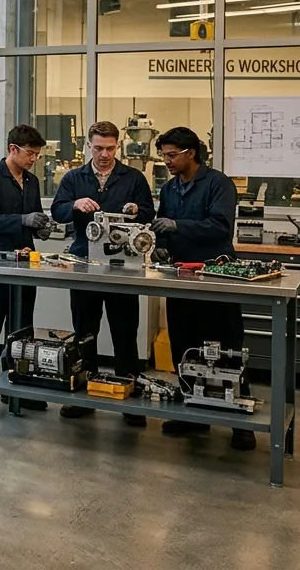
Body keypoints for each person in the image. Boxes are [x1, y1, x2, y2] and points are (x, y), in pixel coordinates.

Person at [151, 127, 254, 451]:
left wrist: (178, 225)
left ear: (190, 153)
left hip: (215, 275)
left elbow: (220, 225)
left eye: (171, 155)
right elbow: (162, 225)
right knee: (185, 343)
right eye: (164, 155)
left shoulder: (218, 184)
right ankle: (191, 412)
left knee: (227, 346)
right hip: (180, 275)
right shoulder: (169, 189)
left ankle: (241, 422)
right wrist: (160, 246)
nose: (166, 161)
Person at [50, 121, 154, 426]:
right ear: (88, 146)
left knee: (125, 332)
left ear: (117, 146)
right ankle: (83, 394)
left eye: (110, 148)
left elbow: (150, 213)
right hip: (85, 263)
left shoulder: (133, 178)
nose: (105, 154)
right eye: (98, 148)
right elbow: (57, 211)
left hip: (123, 266)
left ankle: (130, 401)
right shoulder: (74, 178)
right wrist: (74, 204)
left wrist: (137, 209)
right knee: (85, 333)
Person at [0, 124, 52, 418]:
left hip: (24, 261)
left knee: (21, 330)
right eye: (30, 153)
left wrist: (40, 227)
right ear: (12, 149)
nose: (33, 159)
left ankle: (15, 387)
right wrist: (22, 220)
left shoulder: (31, 181)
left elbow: (32, 218)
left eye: (37, 154)